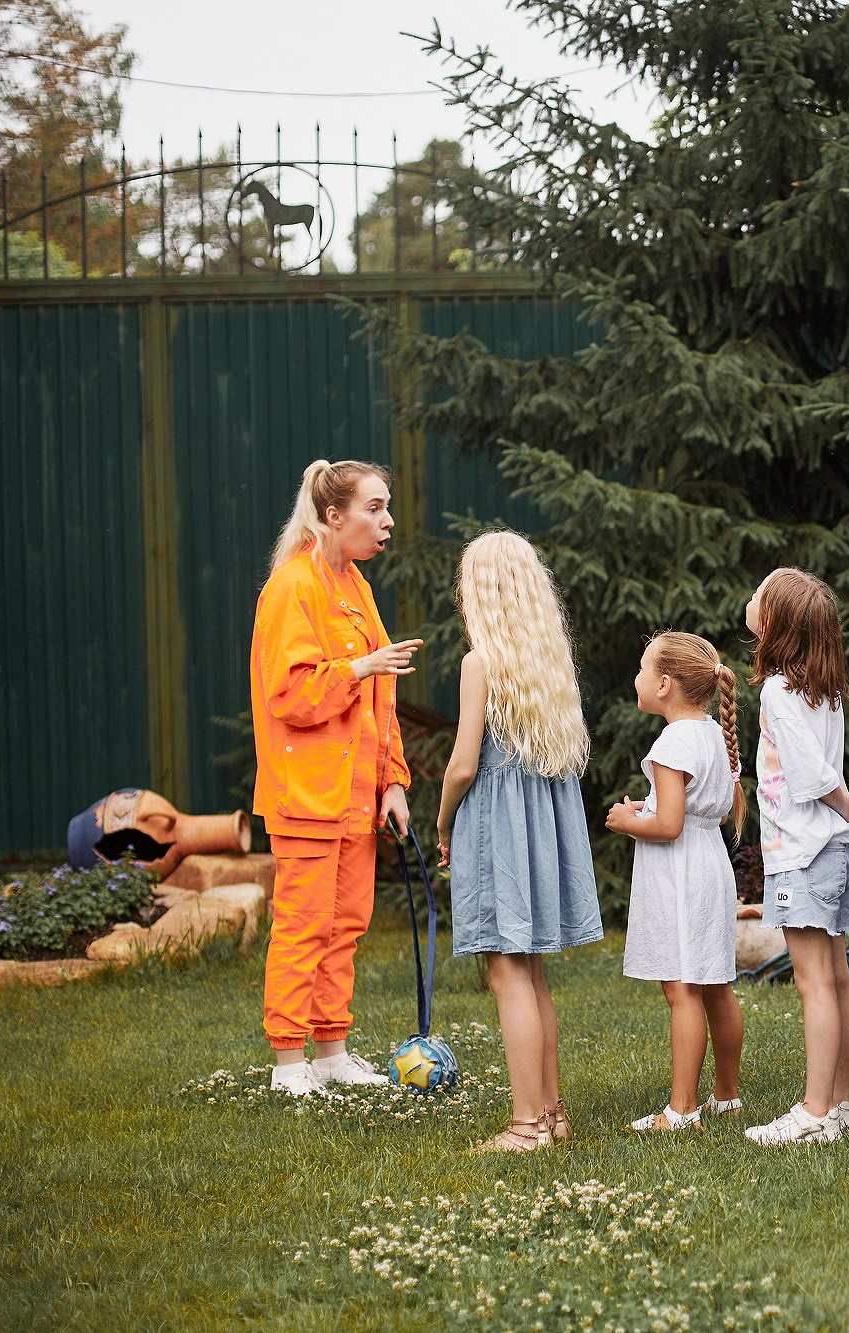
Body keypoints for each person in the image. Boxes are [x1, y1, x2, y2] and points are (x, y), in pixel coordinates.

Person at [250, 459, 420, 1097]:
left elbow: (381, 698)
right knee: (303, 924)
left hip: (358, 792)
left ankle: (331, 1052)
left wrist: (394, 782)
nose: (387, 521)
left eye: (386, 507)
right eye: (374, 508)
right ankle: (289, 1062)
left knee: (346, 922)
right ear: (332, 516)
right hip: (307, 792)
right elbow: (290, 695)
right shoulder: (292, 586)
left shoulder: (355, 584)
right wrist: (359, 665)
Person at [435, 532, 604, 1153]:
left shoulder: (479, 663)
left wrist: (445, 819)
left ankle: (527, 1124)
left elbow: (461, 765)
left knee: (507, 973)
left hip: (496, 828)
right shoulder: (548, 666)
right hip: (536, 827)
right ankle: (553, 1115)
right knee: (529, 973)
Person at [741, 568, 849, 1146]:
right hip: (832, 851)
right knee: (837, 977)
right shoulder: (825, 690)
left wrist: (845, 806)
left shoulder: (776, 690)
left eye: (759, 596)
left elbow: (812, 774)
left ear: (773, 624)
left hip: (803, 851)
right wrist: (846, 815)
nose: (751, 602)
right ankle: (838, 1104)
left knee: (813, 982)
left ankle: (815, 1113)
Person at [606, 631, 748, 1131]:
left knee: (681, 989)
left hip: (680, 874)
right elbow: (691, 808)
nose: (637, 678)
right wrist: (644, 809)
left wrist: (628, 822)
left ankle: (682, 1110)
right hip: (710, 865)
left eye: (643, 669)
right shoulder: (711, 731)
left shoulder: (673, 740)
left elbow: (668, 826)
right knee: (715, 985)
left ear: (664, 684)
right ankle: (725, 1097)